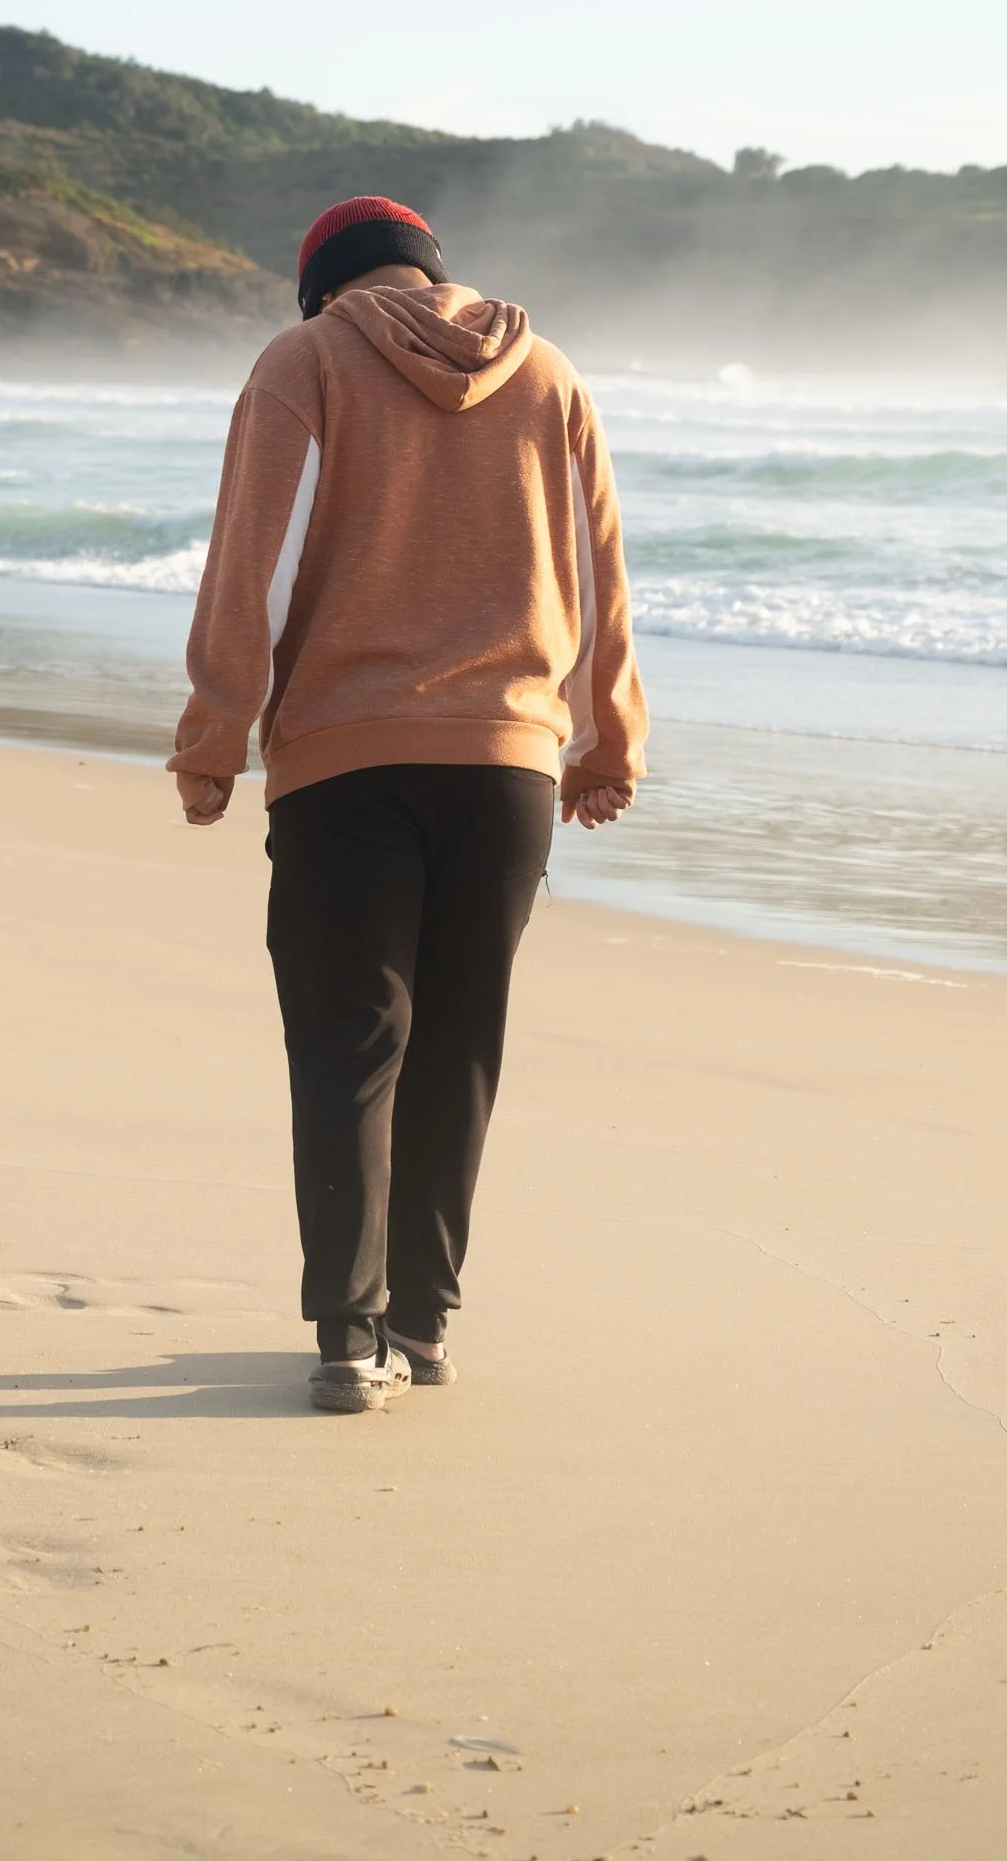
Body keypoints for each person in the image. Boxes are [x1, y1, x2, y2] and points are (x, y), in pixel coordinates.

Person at [170, 196, 648, 1412]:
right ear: (432, 271)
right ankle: (424, 1326)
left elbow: (253, 566)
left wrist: (215, 735)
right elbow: (598, 576)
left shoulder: (306, 360)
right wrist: (605, 743)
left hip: (346, 761)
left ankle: (347, 1332)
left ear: (322, 287)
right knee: (458, 1043)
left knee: (349, 1046)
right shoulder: (548, 374)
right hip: (509, 768)